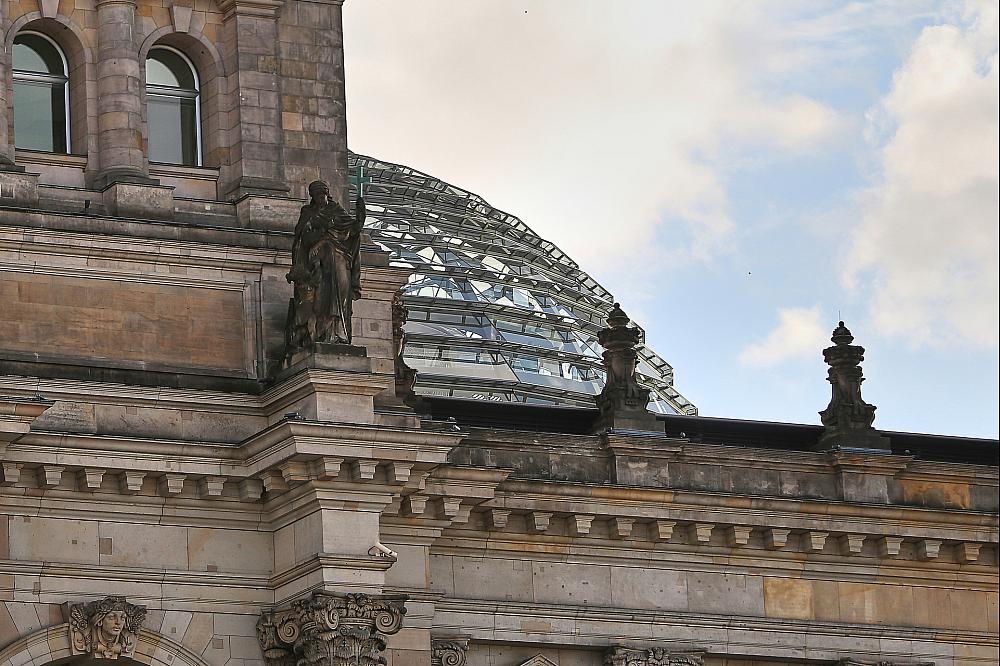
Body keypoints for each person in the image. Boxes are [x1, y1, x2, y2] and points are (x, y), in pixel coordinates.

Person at [286, 181, 364, 350]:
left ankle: (338, 333)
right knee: (321, 297)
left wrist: (360, 216)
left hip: (340, 258)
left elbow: (353, 230)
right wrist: (322, 232)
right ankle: (320, 333)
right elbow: (302, 237)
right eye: (317, 196)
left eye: (323, 195)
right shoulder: (308, 213)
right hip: (318, 261)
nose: (321, 198)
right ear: (312, 197)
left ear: (327, 194)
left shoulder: (336, 210)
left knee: (341, 294)